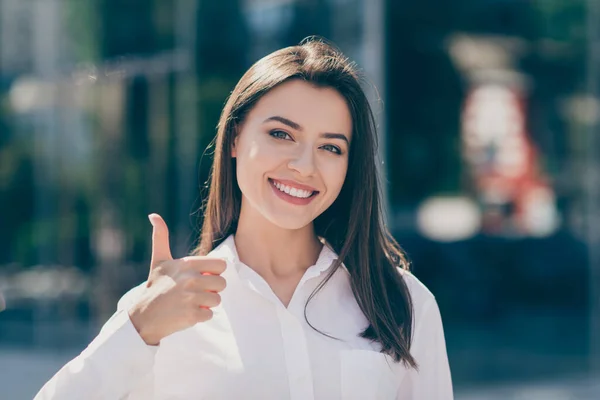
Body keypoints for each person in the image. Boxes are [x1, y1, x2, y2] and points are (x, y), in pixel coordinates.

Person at [35, 37, 453, 400]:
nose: (305, 166)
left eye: (331, 148)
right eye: (281, 134)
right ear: (235, 137)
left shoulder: (402, 304)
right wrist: (139, 328)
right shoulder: (165, 308)